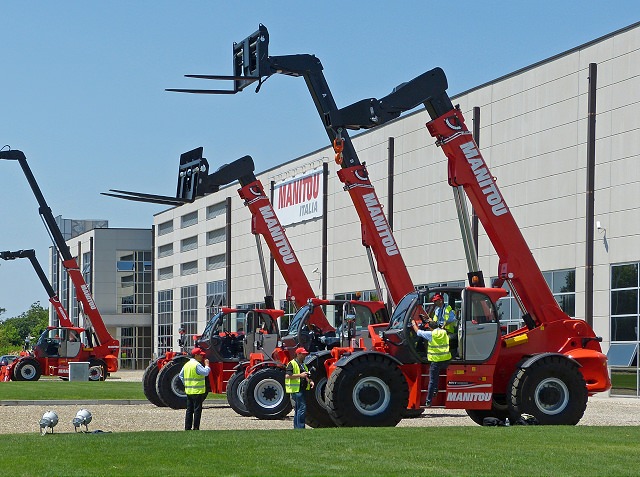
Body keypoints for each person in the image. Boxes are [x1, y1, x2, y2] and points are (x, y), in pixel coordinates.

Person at [411, 318, 451, 407]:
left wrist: (413, 323)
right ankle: (435, 390)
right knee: (436, 377)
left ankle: (429, 401)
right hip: (445, 359)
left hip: (436, 360)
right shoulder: (443, 332)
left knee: (432, 380)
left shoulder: (431, 334)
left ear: (430, 328)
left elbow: (418, 332)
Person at [179, 347, 210, 430]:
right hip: (198, 391)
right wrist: (207, 366)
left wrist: (186, 383)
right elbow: (205, 373)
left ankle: (187, 427)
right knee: (197, 410)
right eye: (200, 355)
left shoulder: (187, 364)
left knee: (189, 410)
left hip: (189, 391)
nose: (202, 357)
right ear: (196, 355)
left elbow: (181, 375)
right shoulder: (196, 364)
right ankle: (196, 428)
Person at [284, 347, 314, 429]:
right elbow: (287, 376)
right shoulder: (292, 363)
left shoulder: (303, 365)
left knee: (298, 409)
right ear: (298, 354)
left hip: (302, 388)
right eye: (303, 354)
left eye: (305, 354)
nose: (305, 355)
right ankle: (301, 427)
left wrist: (310, 381)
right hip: (296, 389)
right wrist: (300, 375)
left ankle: (297, 428)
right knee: (302, 407)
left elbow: (306, 375)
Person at [429, 294, 459, 358]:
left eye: (436, 301)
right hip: (440, 330)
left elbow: (451, 319)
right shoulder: (437, 310)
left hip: (448, 331)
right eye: (434, 301)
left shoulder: (448, 309)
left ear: (441, 301)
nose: (434, 303)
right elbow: (435, 321)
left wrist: (444, 326)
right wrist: (430, 321)